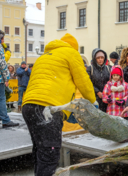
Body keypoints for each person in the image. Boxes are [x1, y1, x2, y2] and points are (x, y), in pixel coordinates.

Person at [22, 33, 96, 176]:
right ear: (74, 48)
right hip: (48, 108)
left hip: (28, 106)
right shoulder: (71, 53)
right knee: (50, 154)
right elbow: (84, 81)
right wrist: (93, 102)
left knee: (40, 150)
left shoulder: (44, 56)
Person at [87, 48, 111, 113]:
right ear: (95, 59)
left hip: (106, 99)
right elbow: (88, 83)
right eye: (98, 58)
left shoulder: (108, 68)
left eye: (102, 57)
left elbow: (111, 82)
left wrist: (106, 93)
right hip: (95, 98)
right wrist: (97, 92)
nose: (100, 59)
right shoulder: (90, 69)